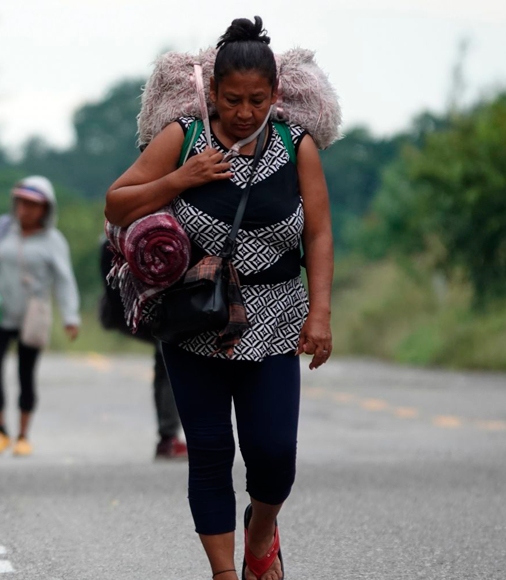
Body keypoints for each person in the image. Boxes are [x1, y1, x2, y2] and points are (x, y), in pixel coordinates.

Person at [104, 17, 334, 580]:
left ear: (276, 95)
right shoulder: (183, 137)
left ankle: (261, 532)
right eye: (232, 99)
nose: (244, 112)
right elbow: (117, 203)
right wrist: (180, 179)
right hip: (193, 320)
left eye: (258, 100)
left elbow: (319, 233)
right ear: (212, 92)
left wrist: (321, 312)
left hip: (276, 319)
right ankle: (225, 573)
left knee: (274, 454)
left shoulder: (295, 146)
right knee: (209, 453)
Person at [0, 175, 81, 457]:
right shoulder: (3, 229)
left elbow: (64, 280)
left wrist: (71, 316)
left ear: (45, 209)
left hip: (32, 314)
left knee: (26, 374)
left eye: (33, 205)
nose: (25, 209)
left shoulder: (53, 240)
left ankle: (22, 435)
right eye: (21, 203)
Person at [98, 240, 188, 461]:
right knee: (169, 369)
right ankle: (170, 438)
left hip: (148, 312)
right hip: (166, 311)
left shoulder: (116, 238)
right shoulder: (161, 234)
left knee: (164, 368)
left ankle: (168, 438)